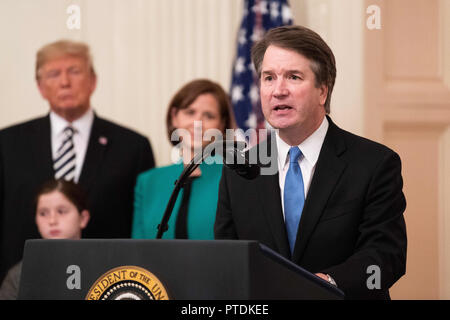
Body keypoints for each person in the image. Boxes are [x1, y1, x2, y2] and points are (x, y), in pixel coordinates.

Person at [214, 25, 407, 299]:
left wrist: (328, 283)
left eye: (293, 77)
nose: (278, 90)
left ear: (323, 91)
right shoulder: (240, 169)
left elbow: (387, 256)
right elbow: (227, 258)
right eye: (269, 78)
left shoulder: (374, 164)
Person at [0, 40, 155, 283]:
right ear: (40, 87)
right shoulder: (6, 144)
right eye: (53, 74)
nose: (64, 82)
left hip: (109, 284)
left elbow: (144, 229)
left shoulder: (133, 147)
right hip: (25, 284)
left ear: (93, 81)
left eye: (74, 71)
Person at [132, 79, 236, 239]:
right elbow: (136, 252)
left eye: (208, 115)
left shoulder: (233, 180)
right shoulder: (148, 182)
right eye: (190, 112)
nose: (198, 123)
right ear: (174, 117)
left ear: (221, 125)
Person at [0, 179, 90, 300]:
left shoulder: (105, 265)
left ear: (83, 218)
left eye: (61, 211)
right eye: (43, 213)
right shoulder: (19, 275)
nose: (52, 221)